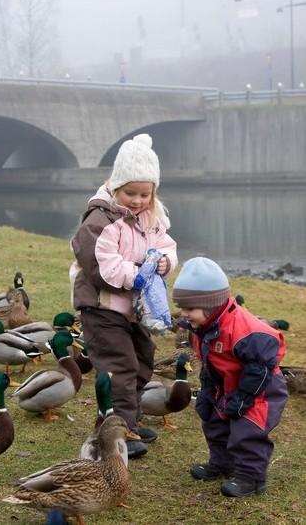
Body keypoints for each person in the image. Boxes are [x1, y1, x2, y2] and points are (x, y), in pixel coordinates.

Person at [70, 133, 178, 458]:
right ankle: (118, 437)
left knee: (144, 359)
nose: (137, 200)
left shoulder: (151, 217)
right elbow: (102, 267)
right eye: (130, 192)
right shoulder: (100, 220)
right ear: (116, 186)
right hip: (101, 308)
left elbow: (167, 247)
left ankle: (128, 422)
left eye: (145, 194)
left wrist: (163, 263)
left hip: (133, 309)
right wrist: (140, 275)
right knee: (120, 367)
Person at [172, 257, 288, 498]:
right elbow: (209, 360)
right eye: (181, 307)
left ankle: (251, 477)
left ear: (211, 304)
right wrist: (207, 389)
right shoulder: (204, 327)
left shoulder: (244, 329)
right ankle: (223, 463)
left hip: (260, 390)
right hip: (225, 385)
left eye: (189, 309)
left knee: (247, 430)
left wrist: (244, 398)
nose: (183, 314)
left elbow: (261, 366)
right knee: (213, 421)